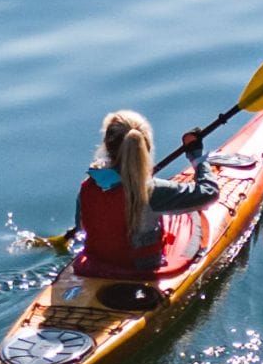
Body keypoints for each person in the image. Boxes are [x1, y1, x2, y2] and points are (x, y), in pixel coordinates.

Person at [75, 109, 218, 277]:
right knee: (191, 215)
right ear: (145, 147)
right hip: (142, 270)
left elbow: (80, 227)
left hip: (97, 266)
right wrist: (197, 157)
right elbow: (210, 192)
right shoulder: (151, 190)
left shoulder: (89, 185)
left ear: (106, 145)